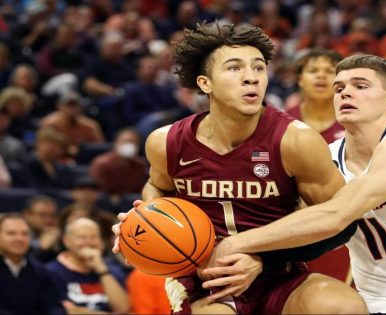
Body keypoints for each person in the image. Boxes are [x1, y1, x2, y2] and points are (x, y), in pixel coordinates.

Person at [205, 54, 386, 314]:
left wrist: (237, 244)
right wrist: (260, 259)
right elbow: (294, 225)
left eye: (360, 86)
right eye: (340, 88)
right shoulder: (326, 157)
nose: (346, 93)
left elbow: (338, 214)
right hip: (377, 301)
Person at [112, 22, 366, 315]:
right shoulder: (165, 142)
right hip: (205, 278)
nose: (251, 78)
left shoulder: (295, 140)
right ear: (205, 83)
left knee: (344, 307)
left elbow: (342, 221)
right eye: (234, 68)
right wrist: (144, 222)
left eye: (258, 68)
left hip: (279, 271)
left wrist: (261, 260)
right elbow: (158, 186)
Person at [285, 49, 348, 282]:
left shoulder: (355, 121)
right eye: (313, 71)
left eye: (330, 71)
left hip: (346, 223)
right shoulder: (281, 123)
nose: (321, 77)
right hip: (293, 225)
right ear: (300, 79)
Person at [48, 218, 129, 314]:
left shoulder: (112, 270)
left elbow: (123, 309)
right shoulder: (51, 271)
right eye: (82, 237)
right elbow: (67, 310)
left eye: (94, 237)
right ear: (66, 241)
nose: (89, 242)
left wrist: (101, 270)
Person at [0, 213, 65, 315]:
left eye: (25, 234)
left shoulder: (40, 271)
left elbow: (54, 306)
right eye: (11, 233)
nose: (19, 239)